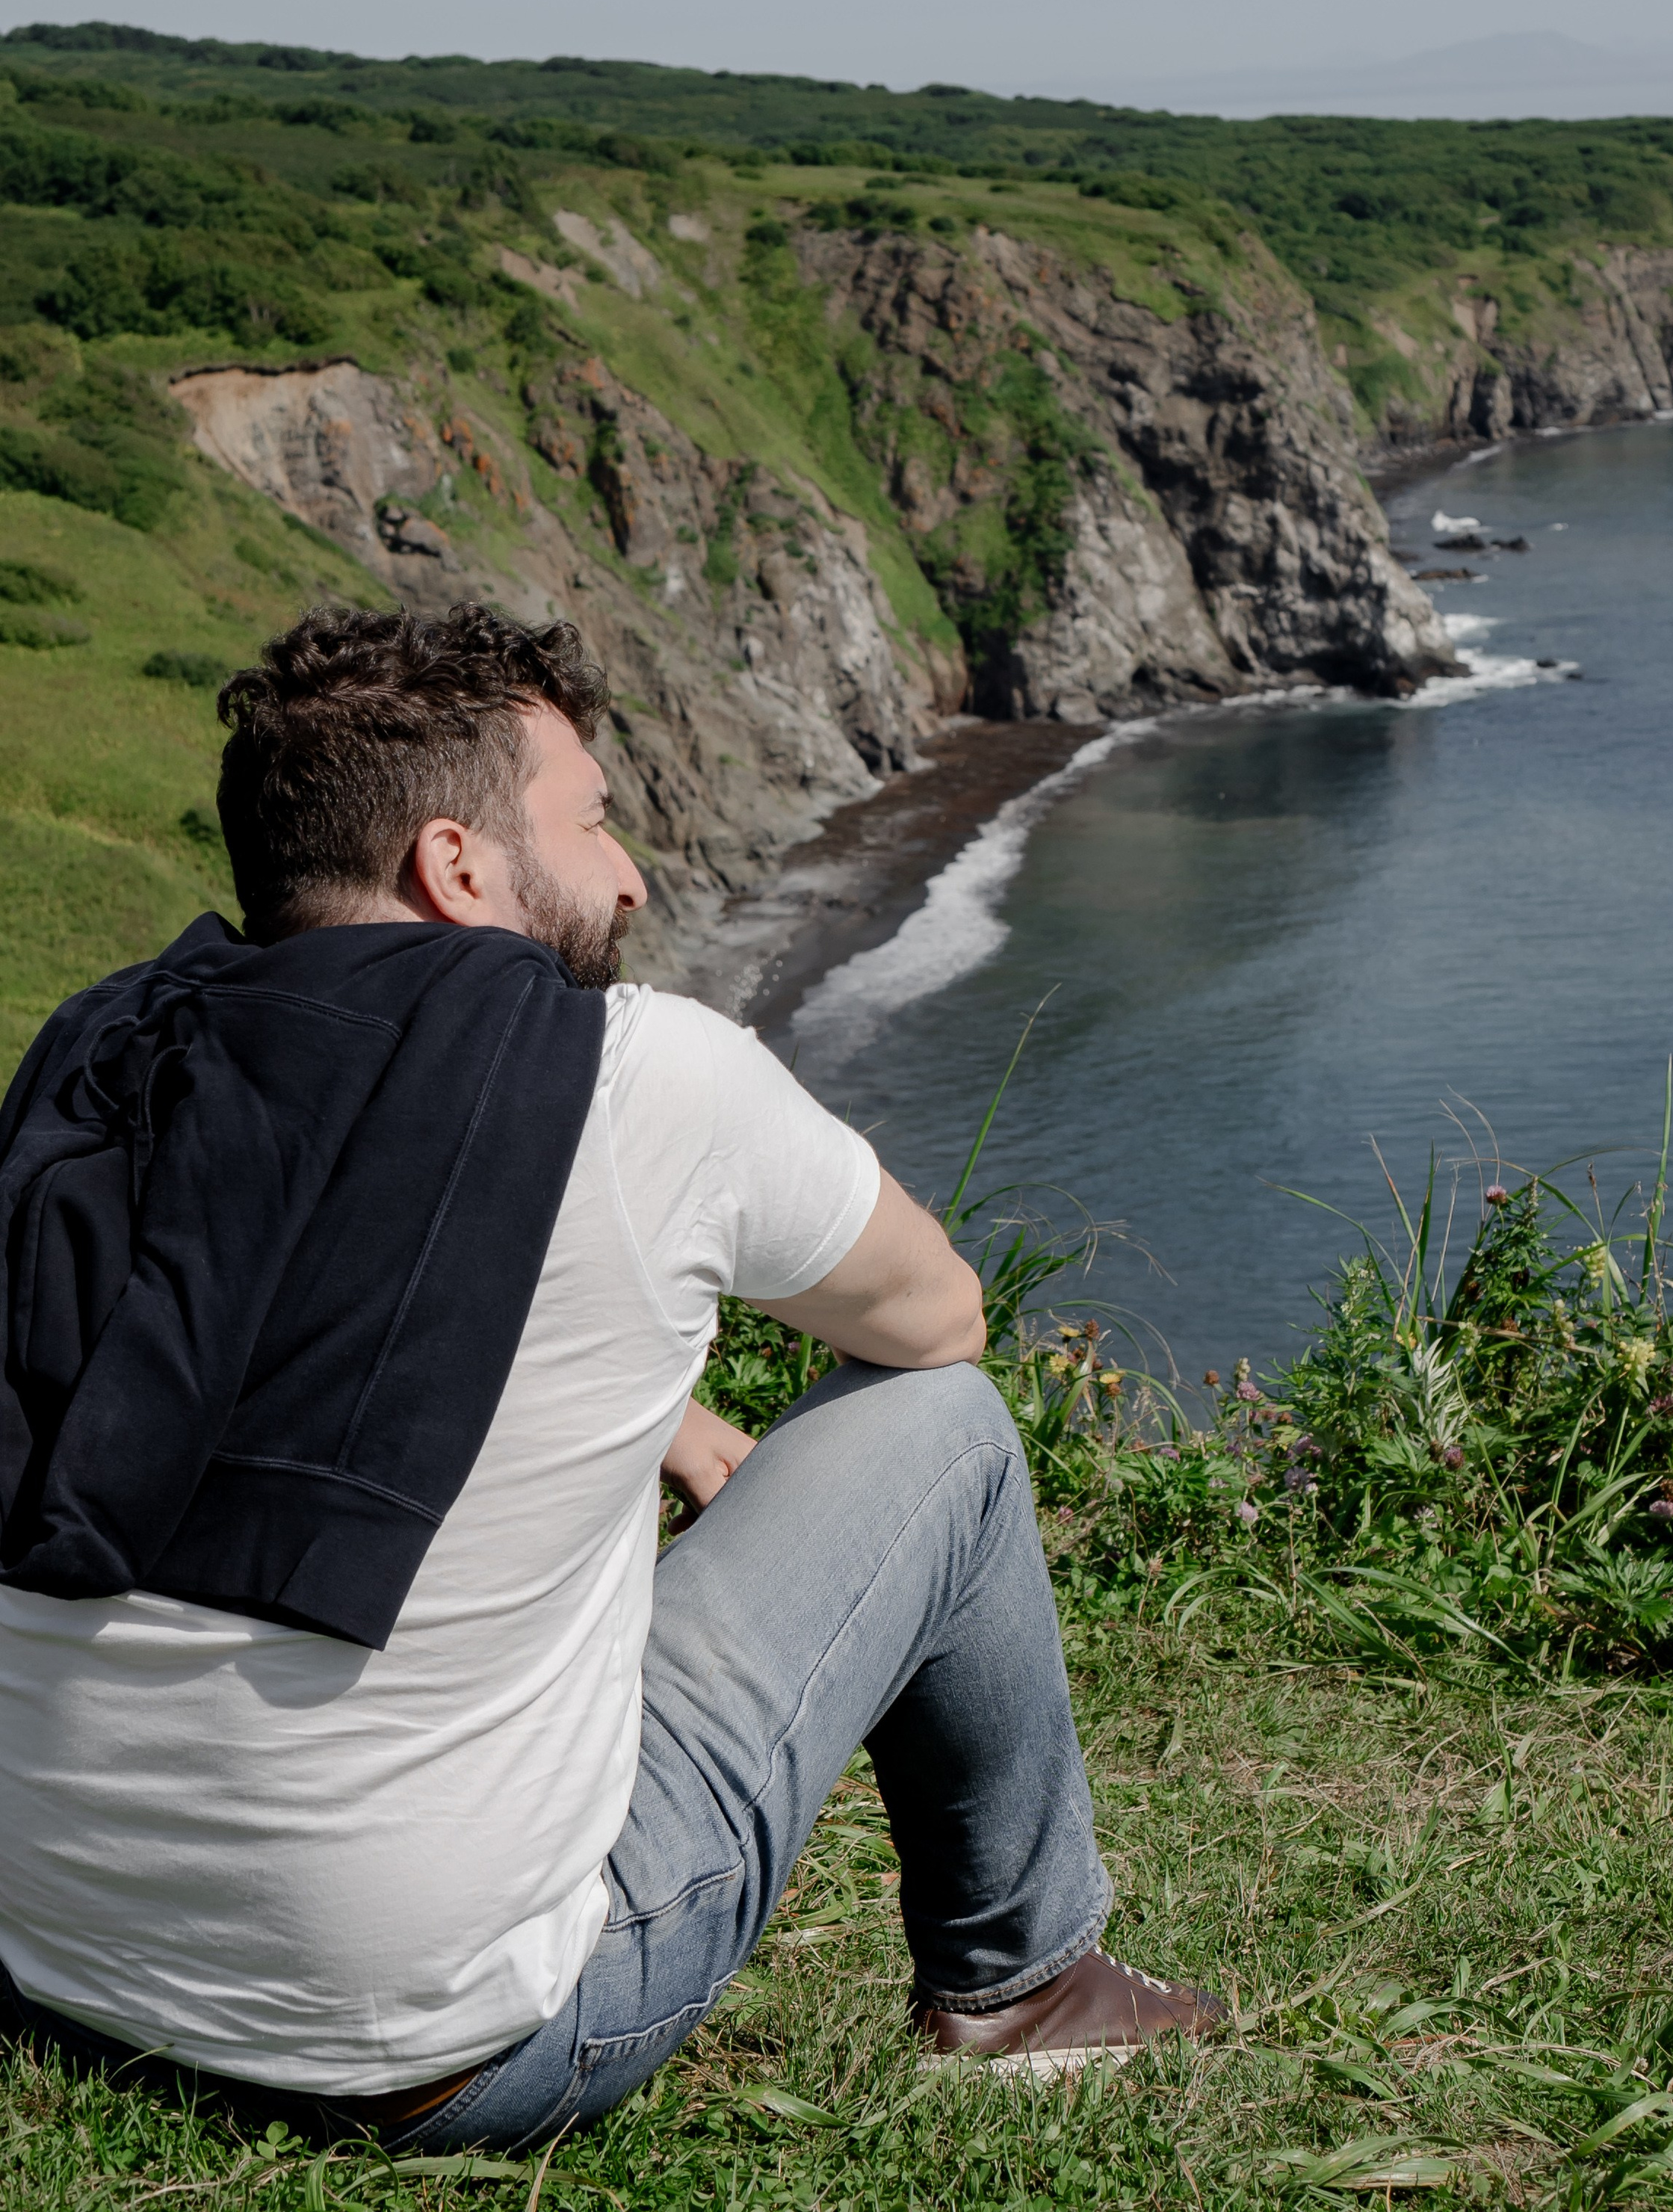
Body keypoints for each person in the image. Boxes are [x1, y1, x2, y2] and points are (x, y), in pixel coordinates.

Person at [0, 602, 1217, 2153]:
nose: (633, 873)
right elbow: (930, 1324)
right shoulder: (643, 1071)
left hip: (59, 1966)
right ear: (458, 865)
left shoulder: (110, 1065)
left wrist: (656, 1408)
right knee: (946, 1433)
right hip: (442, 2047)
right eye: (588, 824)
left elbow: (197, 1377)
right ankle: (1022, 1986)